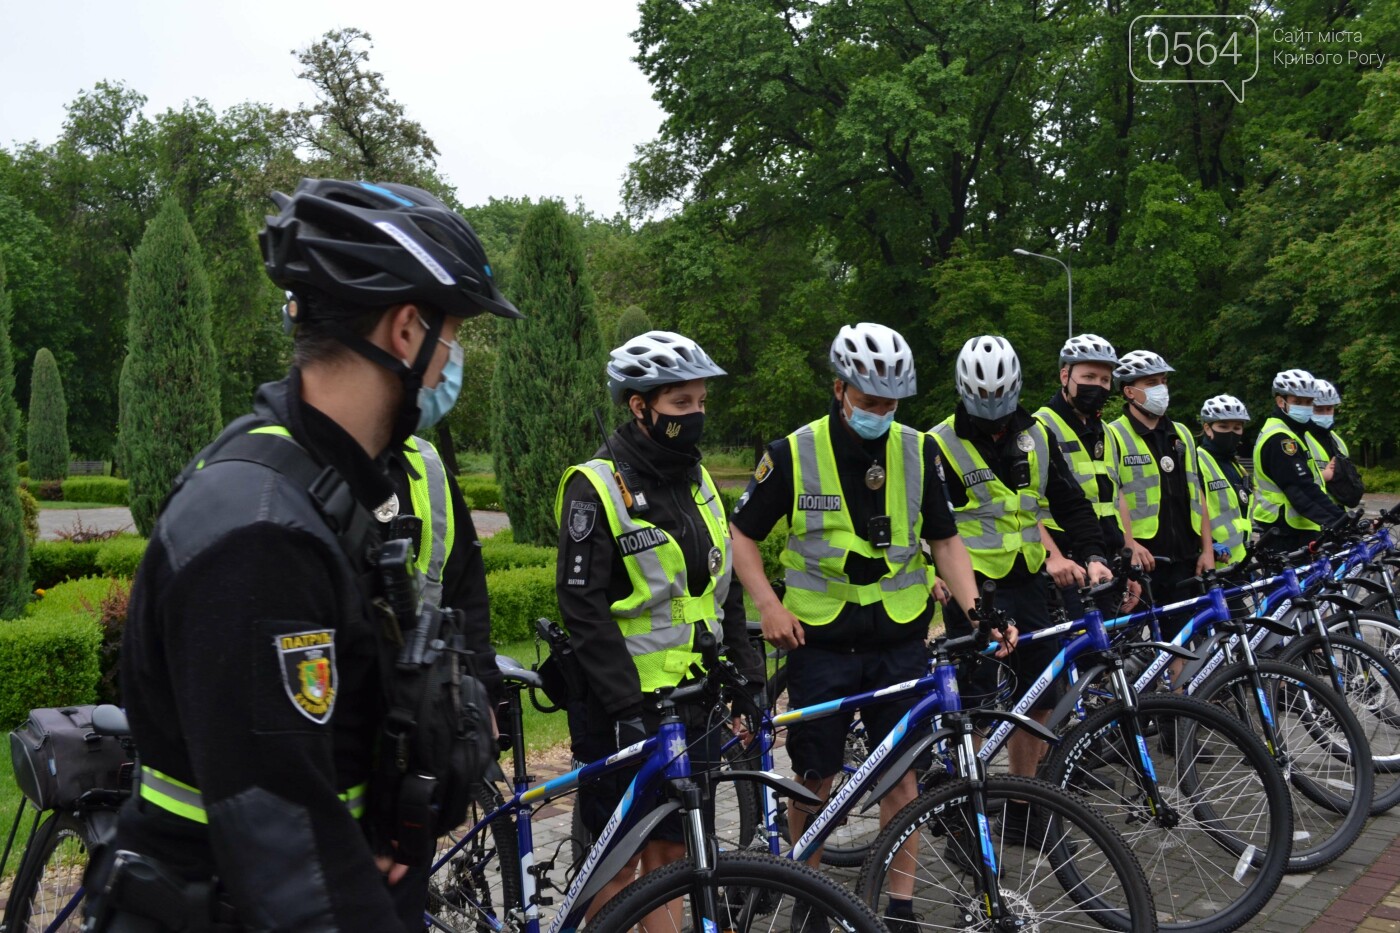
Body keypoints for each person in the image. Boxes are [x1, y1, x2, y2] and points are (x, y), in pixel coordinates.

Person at [92, 178, 520, 933]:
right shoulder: (260, 533)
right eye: (453, 334)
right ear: (406, 329)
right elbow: (283, 845)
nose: (454, 357)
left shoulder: (342, 484)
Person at [729, 323, 1006, 933]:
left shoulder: (917, 449)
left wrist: (978, 608)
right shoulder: (793, 452)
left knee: (902, 775)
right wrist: (769, 607)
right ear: (839, 389)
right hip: (820, 640)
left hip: (899, 636)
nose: (881, 414)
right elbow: (742, 535)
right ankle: (811, 897)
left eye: (891, 403)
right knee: (814, 779)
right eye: (870, 402)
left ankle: (901, 906)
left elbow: (945, 540)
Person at [554, 330, 766, 929]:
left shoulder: (700, 481)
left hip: (691, 701)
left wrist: (747, 675)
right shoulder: (594, 487)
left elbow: (719, 591)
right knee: (617, 864)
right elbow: (583, 608)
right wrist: (624, 704)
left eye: (700, 403)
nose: (695, 416)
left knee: (672, 856)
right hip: (622, 707)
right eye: (680, 405)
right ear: (638, 406)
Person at [931, 335, 1110, 792]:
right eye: (982, 397)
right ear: (964, 391)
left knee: (1041, 696)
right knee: (974, 707)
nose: (993, 407)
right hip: (971, 590)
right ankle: (964, 803)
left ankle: (1023, 801)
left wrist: (1091, 555)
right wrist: (932, 575)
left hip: (1028, 583)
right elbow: (921, 525)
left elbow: (1071, 504)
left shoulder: (1037, 436)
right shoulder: (937, 445)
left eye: (1002, 396)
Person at [1106, 350, 1214, 620]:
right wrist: (1128, 545)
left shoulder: (1182, 433)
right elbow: (1111, 495)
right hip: (1143, 559)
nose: (1161, 389)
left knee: (1181, 642)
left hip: (1185, 557)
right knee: (1134, 642)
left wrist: (1207, 549)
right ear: (1129, 392)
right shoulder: (1113, 434)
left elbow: (1197, 492)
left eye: (1164, 381)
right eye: (1152, 383)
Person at [1033, 334, 1125, 615]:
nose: (1097, 386)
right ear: (1065, 376)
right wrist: (1054, 556)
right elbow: (1025, 506)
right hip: (1067, 565)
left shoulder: (1107, 432)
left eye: (1104, 380)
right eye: (1088, 376)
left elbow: (1118, 496)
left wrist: (1127, 554)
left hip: (1107, 557)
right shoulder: (1039, 427)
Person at [1250, 369, 1346, 550]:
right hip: (1285, 531)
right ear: (1281, 401)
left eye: (1309, 402)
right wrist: (1339, 521)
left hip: (1298, 527)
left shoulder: (1295, 432)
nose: (1305, 406)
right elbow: (1301, 489)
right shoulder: (1281, 438)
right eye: (1298, 402)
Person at [1196, 395, 1253, 567]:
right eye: (1223, 426)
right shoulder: (1197, 461)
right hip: (1213, 561)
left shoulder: (1235, 465)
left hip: (1239, 560)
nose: (1230, 433)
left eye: (1237, 428)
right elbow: (1189, 510)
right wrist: (1209, 543)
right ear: (1207, 428)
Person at [1305, 379, 1362, 507]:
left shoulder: (1337, 440)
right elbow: (1292, 481)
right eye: (1319, 410)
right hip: (1312, 514)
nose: (1325, 414)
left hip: (1338, 514)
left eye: (1329, 409)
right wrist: (1323, 477)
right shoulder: (1298, 438)